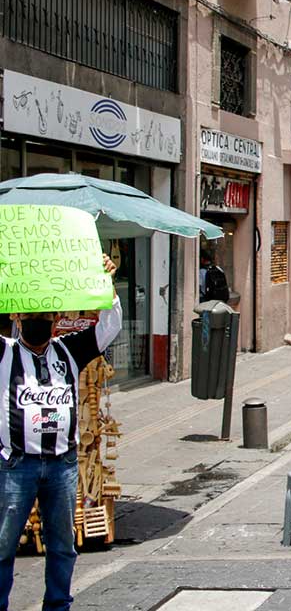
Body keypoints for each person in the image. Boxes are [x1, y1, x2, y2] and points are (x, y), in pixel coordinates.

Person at [1, 255, 121, 611]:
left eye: (44, 317)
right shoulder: (4, 353)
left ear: (55, 321)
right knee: (4, 544)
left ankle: (58, 605)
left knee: (62, 545)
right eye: (31, 317)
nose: (38, 323)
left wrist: (106, 281)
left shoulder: (69, 350)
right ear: (18, 318)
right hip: (16, 466)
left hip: (62, 466)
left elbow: (109, 326)